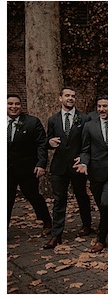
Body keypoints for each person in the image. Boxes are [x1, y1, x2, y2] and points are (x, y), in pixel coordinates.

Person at [75, 95, 108, 253]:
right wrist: (84, 163)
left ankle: (101, 239)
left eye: (104, 106)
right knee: (103, 204)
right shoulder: (89, 126)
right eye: (99, 106)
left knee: (105, 204)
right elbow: (85, 150)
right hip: (96, 172)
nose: (101, 109)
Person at [44, 87, 94, 249]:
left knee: (82, 196)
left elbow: (88, 143)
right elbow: (48, 141)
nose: (70, 98)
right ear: (60, 98)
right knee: (59, 199)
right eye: (67, 95)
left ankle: (87, 225)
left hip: (77, 165)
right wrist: (49, 143)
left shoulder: (84, 118)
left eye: (73, 96)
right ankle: (56, 235)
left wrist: (84, 158)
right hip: (59, 167)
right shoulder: (53, 120)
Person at [7, 94, 52, 232]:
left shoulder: (32, 122)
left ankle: (47, 221)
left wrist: (41, 164)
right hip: (6, 169)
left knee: (33, 196)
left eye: (17, 104)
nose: (13, 107)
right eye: (10, 104)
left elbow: (41, 144)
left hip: (27, 168)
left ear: (21, 106)